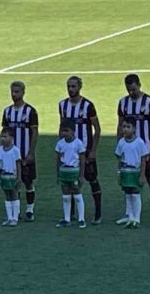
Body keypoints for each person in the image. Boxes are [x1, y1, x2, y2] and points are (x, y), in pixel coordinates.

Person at [116, 74, 150, 226]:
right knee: (128, 181)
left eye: (134, 89)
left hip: (145, 150)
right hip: (128, 151)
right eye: (129, 90)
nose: (131, 92)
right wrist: (119, 144)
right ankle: (129, 214)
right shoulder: (123, 103)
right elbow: (120, 125)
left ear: (139, 85)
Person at [59, 76, 102, 224]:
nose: (71, 89)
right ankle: (70, 214)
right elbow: (62, 127)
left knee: (92, 180)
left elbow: (97, 129)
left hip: (85, 151)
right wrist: (61, 146)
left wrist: (93, 150)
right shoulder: (63, 105)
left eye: (73, 86)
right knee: (69, 181)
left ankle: (98, 213)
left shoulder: (88, 106)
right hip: (69, 152)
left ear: (79, 87)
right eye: (69, 86)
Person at [1, 81, 38, 222]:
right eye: (12, 92)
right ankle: (15, 212)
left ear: (23, 93)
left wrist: (31, 152)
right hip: (11, 155)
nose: (14, 94)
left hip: (25, 154)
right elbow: (4, 132)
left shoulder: (30, 111)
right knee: (13, 183)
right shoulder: (7, 111)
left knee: (28, 182)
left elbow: (34, 132)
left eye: (17, 92)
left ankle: (29, 210)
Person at [114, 117, 148, 229]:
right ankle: (130, 216)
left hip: (135, 172)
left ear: (134, 129)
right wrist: (119, 173)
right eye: (123, 127)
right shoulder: (121, 142)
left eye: (128, 127)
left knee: (135, 193)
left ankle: (136, 219)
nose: (125, 129)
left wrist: (142, 175)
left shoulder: (139, 142)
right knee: (127, 193)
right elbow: (119, 158)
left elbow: (143, 160)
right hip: (125, 172)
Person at [55, 118, 86, 229]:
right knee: (66, 196)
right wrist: (58, 174)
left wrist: (81, 175)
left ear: (73, 131)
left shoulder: (78, 143)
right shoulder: (60, 144)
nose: (64, 133)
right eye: (62, 130)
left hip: (74, 172)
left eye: (66, 130)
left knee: (77, 195)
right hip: (64, 172)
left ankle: (81, 219)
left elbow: (82, 160)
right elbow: (57, 159)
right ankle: (67, 219)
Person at [0, 127, 22, 227]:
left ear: (11, 138)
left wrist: (19, 177)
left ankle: (15, 218)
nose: (3, 139)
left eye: (5, 137)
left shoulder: (15, 150)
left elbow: (18, 164)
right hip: (4, 176)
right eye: (2, 137)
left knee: (14, 194)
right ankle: (9, 217)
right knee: (7, 195)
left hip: (12, 176)